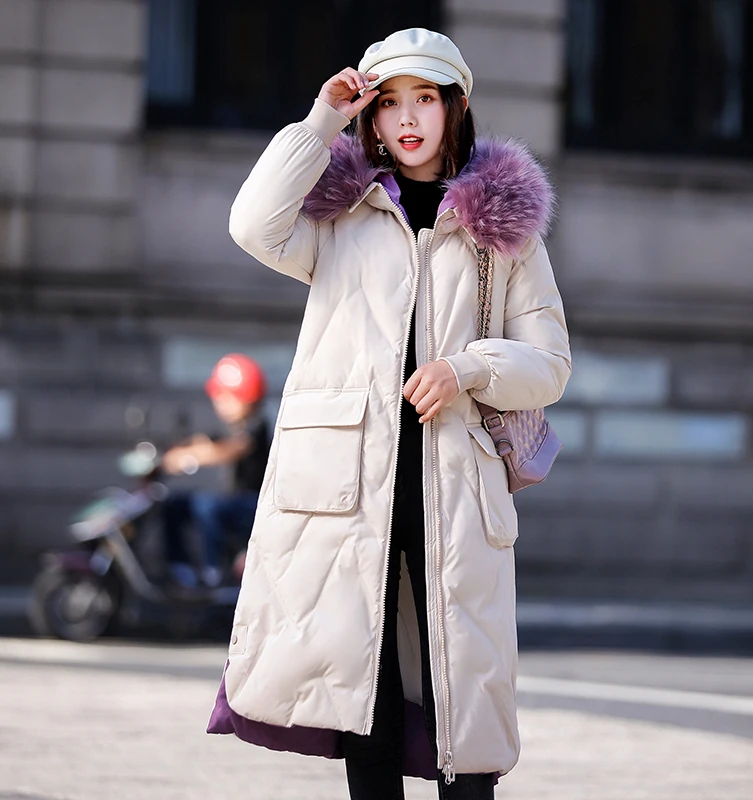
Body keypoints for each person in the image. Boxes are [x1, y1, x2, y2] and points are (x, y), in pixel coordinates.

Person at [207, 27, 571, 800]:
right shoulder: (339, 216)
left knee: (462, 703)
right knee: (361, 702)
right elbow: (251, 225)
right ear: (370, 116)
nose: (407, 118)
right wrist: (320, 123)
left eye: (425, 99)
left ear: (455, 107)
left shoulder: (502, 227)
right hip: (349, 488)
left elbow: (550, 363)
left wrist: (467, 368)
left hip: (456, 489)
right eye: (390, 102)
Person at [162, 353, 271, 588]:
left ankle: (213, 571)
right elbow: (206, 442)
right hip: (231, 502)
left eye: (227, 397)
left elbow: (230, 450)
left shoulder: (257, 425)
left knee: (207, 506)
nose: (220, 403)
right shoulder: (230, 426)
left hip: (254, 504)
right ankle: (180, 568)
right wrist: (172, 454)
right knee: (174, 504)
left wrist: (190, 457)